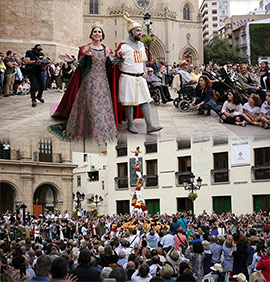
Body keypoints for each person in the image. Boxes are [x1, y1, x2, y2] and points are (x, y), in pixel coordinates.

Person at [50, 22, 118, 142]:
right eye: (95, 32)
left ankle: (103, 131)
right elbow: (80, 66)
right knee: (91, 107)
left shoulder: (106, 49)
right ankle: (89, 131)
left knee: (102, 108)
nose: (97, 34)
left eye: (99, 32)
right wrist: (71, 61)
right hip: (89, 82)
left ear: (102, 35)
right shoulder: (86, 49)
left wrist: (120, 59)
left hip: (103, 83)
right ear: (91, 35)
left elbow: (110, 65)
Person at [113, 12, 163, 134]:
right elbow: (115, 62)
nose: (140, 33)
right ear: (131, 32)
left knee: (146, 100)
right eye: (138, 31)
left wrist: (144, 71)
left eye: (141, 31)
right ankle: (130, 124)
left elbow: (142, 61)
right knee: (129, 102)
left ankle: (150, 125)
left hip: (140, 78)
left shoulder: (141, 45)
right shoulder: (123, 45)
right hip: (127, 77)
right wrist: (119, 57)